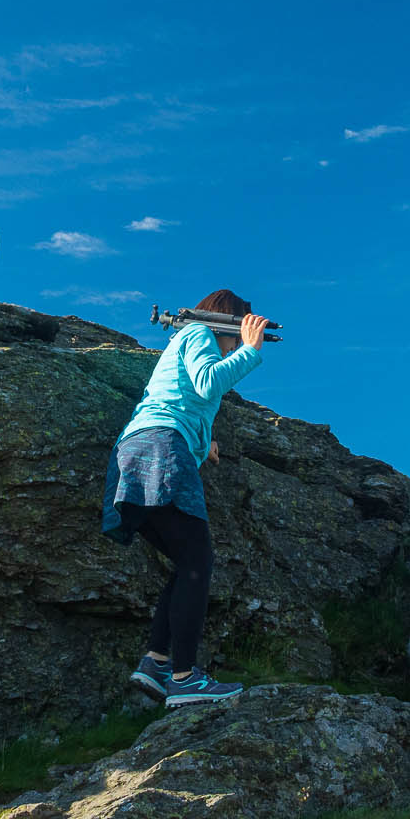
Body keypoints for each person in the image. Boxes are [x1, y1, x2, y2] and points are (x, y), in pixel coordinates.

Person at [101, 291, 271, 707]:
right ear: (231, 323)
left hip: (143, 448)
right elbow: (207, 381)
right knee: (198, 560)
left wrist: (201, 441)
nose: (236, 341)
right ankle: (185, 678)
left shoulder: (187, 341)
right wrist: (248, 351)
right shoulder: (198, 333)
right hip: (161, 446)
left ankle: (157, 663)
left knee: (186, 561)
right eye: (238, 330)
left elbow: (182, 397)